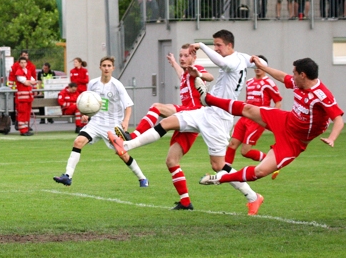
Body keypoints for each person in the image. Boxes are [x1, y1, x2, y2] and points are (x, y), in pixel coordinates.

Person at [108, 30, 265, 215]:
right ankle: (126, 144)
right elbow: (248, 60)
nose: (216, 49)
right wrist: (256, 60)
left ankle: (253, 196)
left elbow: (220, 63)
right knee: (166, 124)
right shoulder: (241, 58)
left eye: (218, 45)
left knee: (218, 166)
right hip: (206, 111)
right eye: (214, 45)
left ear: (230, 45)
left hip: (219, 118)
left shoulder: (232, 61)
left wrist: (202, 46)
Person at [198, 57, 343, 188]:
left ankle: (220, 178)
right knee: (248, 109)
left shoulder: (322, 95)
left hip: (294, 142)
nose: (292, 76)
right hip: (285, 120)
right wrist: (263, 66)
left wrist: (332, 138)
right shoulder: (298, 83)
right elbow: (282, 76)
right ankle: (208, 99)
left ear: (303, 75)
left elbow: (338, 119)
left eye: (294, 73)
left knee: (260, 172)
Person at [116, 44, 213, 210]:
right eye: (180, 55)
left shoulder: (195, 68)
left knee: (157, 107)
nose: (183, 58)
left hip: (193, 113)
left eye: (185, 56)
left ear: (193, 57)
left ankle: (133, 136)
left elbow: (210, 76)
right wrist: (174, 63)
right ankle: (185, 202)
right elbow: (182, 74)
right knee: (171, 161)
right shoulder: (185, 75)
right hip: (187, 121)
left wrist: (199, 73)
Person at [53, 56, 148, 188]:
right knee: (78, 142)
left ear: (113, 68)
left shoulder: (117, 85)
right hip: (96, 122)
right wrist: (85, 114)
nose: (106, 68)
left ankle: (142, 178)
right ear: (100, 67)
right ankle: (67, 176)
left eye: (109, 66)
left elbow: (128, 106)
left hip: (112, 125)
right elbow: (88, 102)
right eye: (104, 65)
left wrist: (125, 121)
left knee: (122, 154)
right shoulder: (93, 83)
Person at [225, 55, 282, 173]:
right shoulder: (249, 82)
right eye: (255, 65)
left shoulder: (268, 83)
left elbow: (278, 101)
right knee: (232, 145)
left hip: (257, 120)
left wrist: (272, 120)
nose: (257, 68)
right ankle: (223, 171)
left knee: (245, 152)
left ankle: (272, 163)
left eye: (260, 65)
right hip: (245, 117)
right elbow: (248, 101)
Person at [14, 57, 37, 136]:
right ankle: (23, 130)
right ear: (19, 63)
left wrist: (29, 81)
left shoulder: (28, 71)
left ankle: (26, 129)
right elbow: (26, 82)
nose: (23, 64)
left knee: (27, 114)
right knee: (22, 114)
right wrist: (30, 82)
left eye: (25, 62)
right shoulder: (19, 72)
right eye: (22, 62)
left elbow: (34, 81)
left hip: (28, 97)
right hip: (22, 98)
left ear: (27, 63)